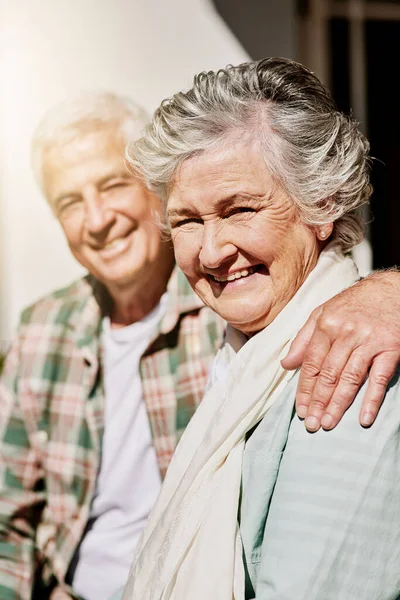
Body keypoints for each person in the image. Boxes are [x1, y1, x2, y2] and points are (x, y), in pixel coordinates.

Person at [1, 91, 400, 600]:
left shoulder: (242, 310)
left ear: (151, 195)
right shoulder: (41, 330)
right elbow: (7, 521)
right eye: (70, 202)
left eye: (112, 186)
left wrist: (389, 291)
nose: (97, 219)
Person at [121, 57, 400, 600]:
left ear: (321, 204)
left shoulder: (353, 366)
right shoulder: (240, 357)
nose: (212, 250)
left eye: (240, 209)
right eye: (187, 221)